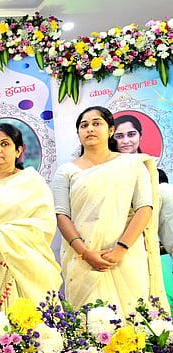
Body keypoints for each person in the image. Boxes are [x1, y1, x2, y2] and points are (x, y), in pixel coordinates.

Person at [53, 106, 167, 311]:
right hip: (82, 260)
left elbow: (145, 208)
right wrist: (84, 253)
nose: (89, 129)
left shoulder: (132, 164)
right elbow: (61, 215)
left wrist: (120, 250)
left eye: (96, 123)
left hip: (126, 256)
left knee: (133, 324)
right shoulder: (66, 171)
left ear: (111, 130)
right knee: (86, 326)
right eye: (83, 125)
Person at [0, 123, 61, 312]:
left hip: (27, 264)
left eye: (5, 144)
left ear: (18, 150)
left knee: (32, 327)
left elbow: (45, 224)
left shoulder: (32, 182)